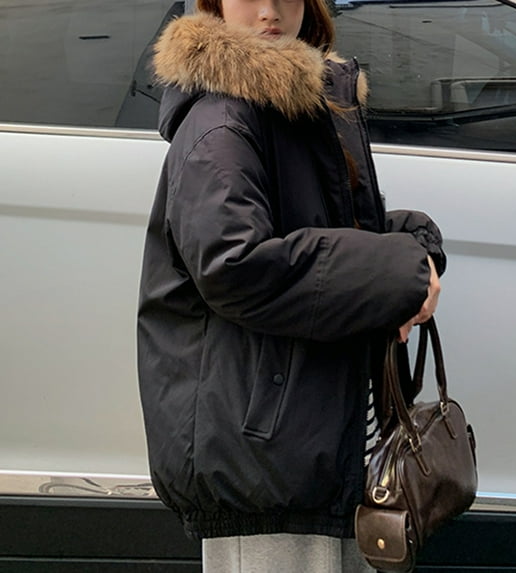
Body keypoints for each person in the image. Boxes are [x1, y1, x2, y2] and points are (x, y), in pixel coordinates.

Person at [137, 0, 446, 570]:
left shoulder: (297, 105)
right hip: (268, 464)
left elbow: (330, 227)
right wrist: (395, 270)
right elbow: (236, 265)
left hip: (312, 443)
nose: (269, 10)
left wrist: (413, 245)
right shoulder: (222, 122)